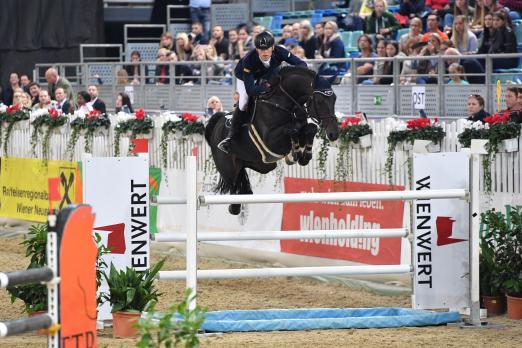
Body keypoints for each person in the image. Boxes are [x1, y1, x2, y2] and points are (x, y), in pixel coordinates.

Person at [217, 31, 307, 153]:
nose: (264, 52)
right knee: (243, 101)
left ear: (273, 47)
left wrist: (291, 76)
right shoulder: (249, 59)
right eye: (261, 49)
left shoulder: (280, 51)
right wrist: (268, 87)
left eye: (267, 49)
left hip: (268, 72)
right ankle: (231, 136)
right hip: (245, 76)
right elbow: (250, 89)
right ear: (257, 49)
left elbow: (301, 64)